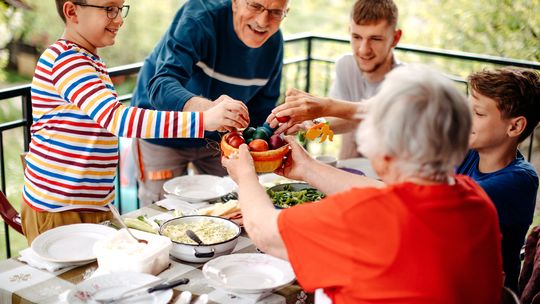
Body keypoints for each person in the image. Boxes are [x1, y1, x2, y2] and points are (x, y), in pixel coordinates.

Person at [223, 65, 502, 303]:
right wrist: (309, 169)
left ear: (385, 149)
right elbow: (388, 196)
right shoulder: (474, 198)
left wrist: (245, 175)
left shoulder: (362, 217)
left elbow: (265, 232)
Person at [21, 0, 249, 244]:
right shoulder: (66, 60)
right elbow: (116, 118)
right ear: (72, 11)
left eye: (120, 9)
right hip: (60, 208)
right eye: (109, 9)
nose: (119, 19)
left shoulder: (88, 60)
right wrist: (202, 120)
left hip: (90, 205)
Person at [131, 0, 289, 206]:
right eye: (255, 6)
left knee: (232, 201)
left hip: (221, 138)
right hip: (162, 130)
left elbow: (261, 110)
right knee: (161, 208)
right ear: (235, 2)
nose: (263, 20)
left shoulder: (274, 44)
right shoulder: (198, 18)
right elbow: (161, 85)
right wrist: (209, 111)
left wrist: (277, 131)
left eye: (276, 12)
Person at [269, 0, 401, 159]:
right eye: (357, 36)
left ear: (395, 38)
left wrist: (326, 106)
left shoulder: (407, 82)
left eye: (376, 39)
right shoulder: (346, 65)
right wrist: (310, 123)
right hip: (350, 169)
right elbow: (348, 119)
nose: (364, 49)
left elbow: (382, 114)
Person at [457, 67, 540, 293]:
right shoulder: (470, 152)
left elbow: (431, 200)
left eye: (479, 114)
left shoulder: (519, 181)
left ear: (514, 126)